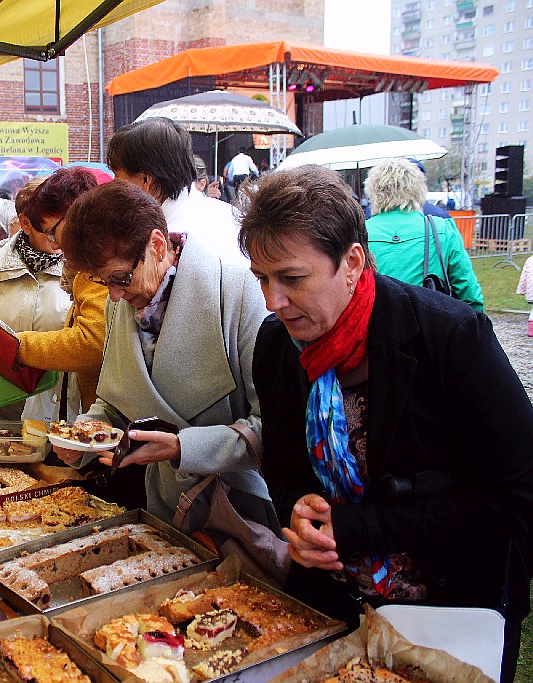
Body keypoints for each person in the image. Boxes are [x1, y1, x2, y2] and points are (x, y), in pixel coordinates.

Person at [239, 165, 533, 681]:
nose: (272, 301)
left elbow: (519, 494)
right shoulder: (276, 344)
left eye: (291, 278)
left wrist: (357, 528)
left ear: (352, 262)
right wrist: (297, 506)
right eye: (262, 278)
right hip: (333, 605)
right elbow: (281, 462)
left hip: (450, 610)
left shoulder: (450, 337)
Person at [53, 179, 276, 529]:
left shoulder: (240, 293)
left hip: (239, 512)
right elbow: (114, 402)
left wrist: (182, 448)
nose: (113, 295)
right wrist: (84, 434)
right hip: (165, 509)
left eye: (120, 278)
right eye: (102, 282)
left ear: (158, 245)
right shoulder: (122, 301)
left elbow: (271, 429)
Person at [0, 168, 97, 421]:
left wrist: (17, 348)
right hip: (1, 412)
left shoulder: (85, 268)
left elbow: (88, 344)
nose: (59, 241)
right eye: (48, 230)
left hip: (61, 415)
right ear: (26, 223)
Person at [107, 118, 248, 267]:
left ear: (146, 180)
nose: (113, 184)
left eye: (117, 175)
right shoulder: (229, 213)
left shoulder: (170, 245)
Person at [364, 158, 483, 310]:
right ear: (418, 189)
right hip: (433, 326)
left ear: (373, 192)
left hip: (375, 326)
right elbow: (469, 294)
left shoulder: (358, 233)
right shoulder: (442, 229)